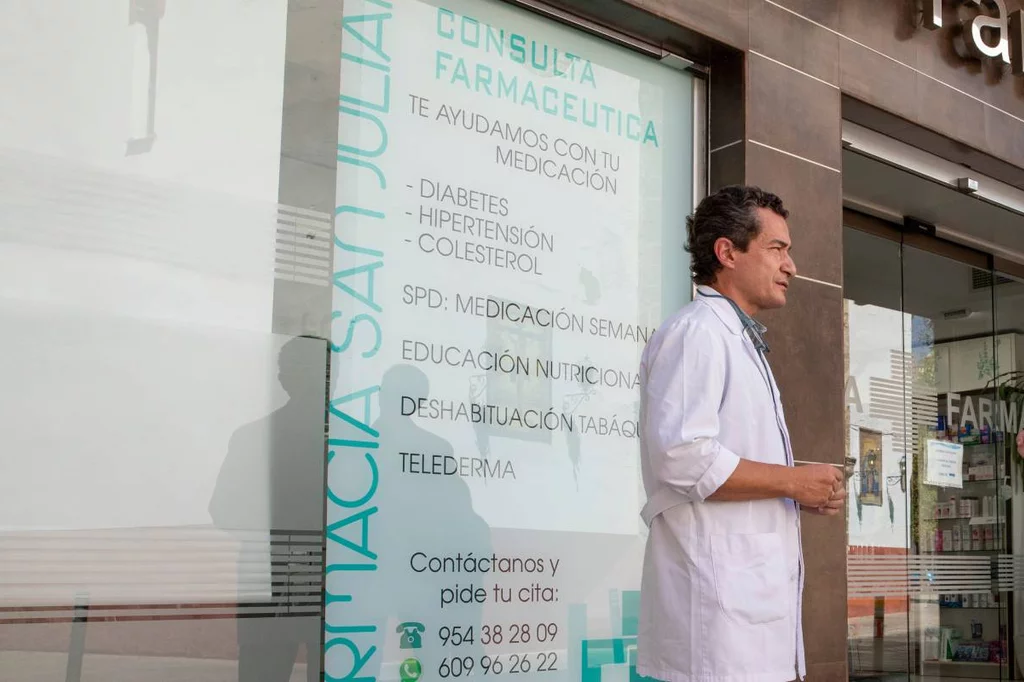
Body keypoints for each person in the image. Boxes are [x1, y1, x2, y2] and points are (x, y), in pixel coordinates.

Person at [635, 186, 845, 682]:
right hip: (716, 627)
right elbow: (682, 458)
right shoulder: (698, 333)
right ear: (727, 252)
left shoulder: (737, 337)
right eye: (777, 249)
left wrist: (798, 489)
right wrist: (793, 483)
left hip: (746, 622)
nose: (790, 266)